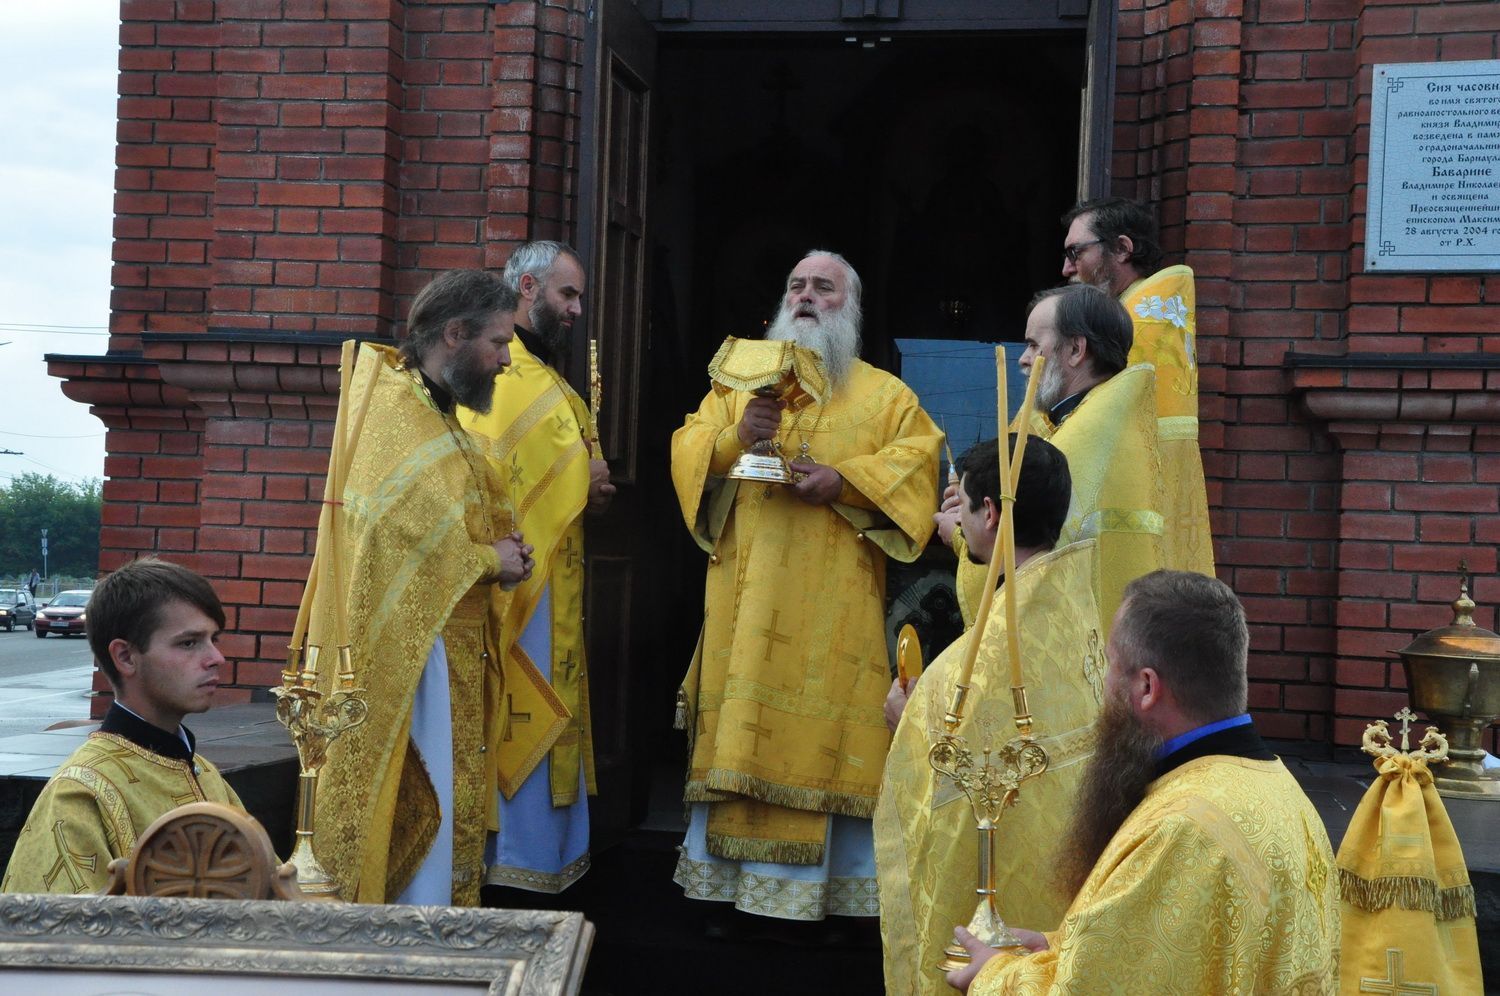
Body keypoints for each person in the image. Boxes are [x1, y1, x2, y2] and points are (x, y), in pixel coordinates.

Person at [670, 249, 942, 922]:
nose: (806, 296)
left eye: (824, 286)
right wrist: (736, 436)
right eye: (797, 284)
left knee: (832, 734)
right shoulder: (737, 381)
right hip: (747, 593)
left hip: (834, 605)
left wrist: (842, 481)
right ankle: (726, 890)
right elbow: (688, 445)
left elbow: (917, 463)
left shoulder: (886, 395)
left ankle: (824, 900)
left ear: (849, 306)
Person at [948, 571, 1339, 994]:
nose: (1103, 689)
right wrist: (1055, 946)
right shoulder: (1282, 790)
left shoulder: (1182, 830)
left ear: (1147, 686)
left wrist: (995, 975)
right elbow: (1182, 952)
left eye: (1110, 665)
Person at [307, 269, 534, 906]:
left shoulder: (436, 410)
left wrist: (503, 547)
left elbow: (448, 516)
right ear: (453, 334)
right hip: (416, 659)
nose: (505, 358)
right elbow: (389, 534)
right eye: (497, 342)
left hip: (447, 643)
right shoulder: (396, 412)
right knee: (422, 796)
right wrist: (490, 560)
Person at [875, 436, 1107, 996]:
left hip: (1000, 901)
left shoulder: (977, 662)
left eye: (967, 503)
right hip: (1077, 873)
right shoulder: (1077, 608)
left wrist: (907, 719)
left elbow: (945, 771)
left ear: (991, 512)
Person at [460, 241, 612, 897]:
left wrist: (593, 485)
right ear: (528, 287)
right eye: (568, 295)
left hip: (557, 583)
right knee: (523, 713)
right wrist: (586, 474)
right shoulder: (506, 374)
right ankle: (514, 870)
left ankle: (546, 864)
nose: (577, 310)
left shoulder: (547, 377)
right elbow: (491, 470)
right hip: (518, 590)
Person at [2, 557, 243, 894]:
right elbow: (59, 937)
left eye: (214, 639)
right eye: (189, 643)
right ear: (126, 657)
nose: (216, 658)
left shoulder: (204, 773)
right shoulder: (79, 795)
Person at [1063, 197, 1214, 574]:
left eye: (1075, 252)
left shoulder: (1133, 329)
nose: (1066, 268)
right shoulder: (1150, 317)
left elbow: (1074, 429)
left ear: (1123, 249)